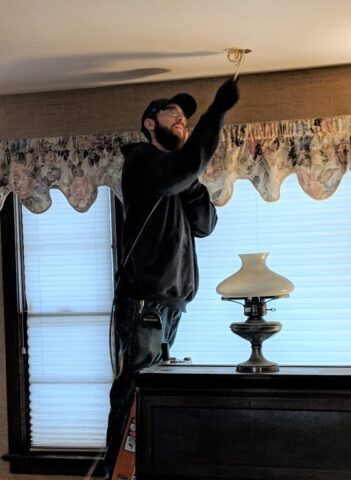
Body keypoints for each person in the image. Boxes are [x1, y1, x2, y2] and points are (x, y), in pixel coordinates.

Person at [104, 78, 240, 479]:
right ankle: (116, 472)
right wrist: (215, 112)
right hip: (146, 299)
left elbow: (206, 224)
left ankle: (140, 467)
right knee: (134, 391)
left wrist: (192, 182)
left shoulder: (176, 180)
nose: (182, 118)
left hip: (171, 302)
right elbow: (186, 163)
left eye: (187, 117)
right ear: (149, 123)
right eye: (172, 112)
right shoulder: (143, 161)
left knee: (152, 393)